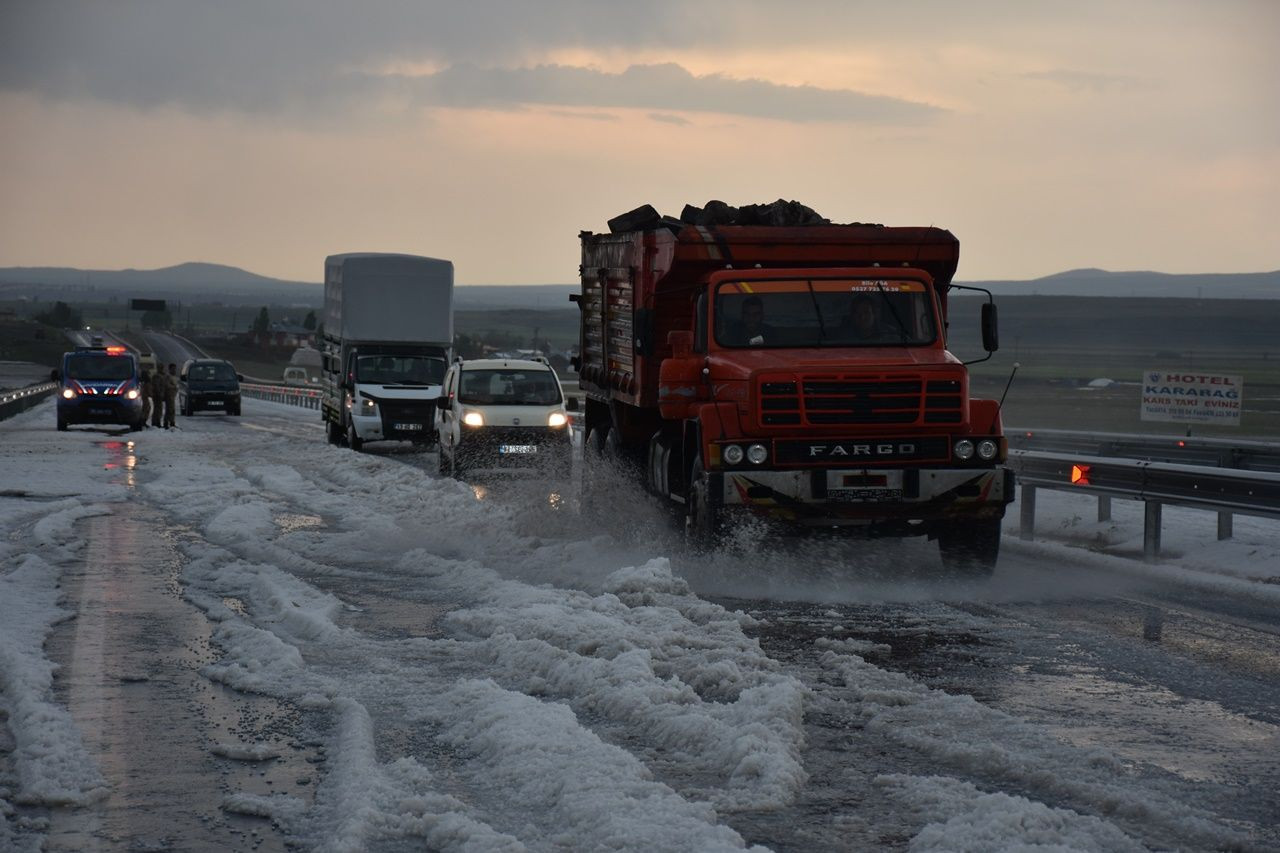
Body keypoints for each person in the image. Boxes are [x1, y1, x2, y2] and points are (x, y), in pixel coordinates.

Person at [163, 363, 179, 428]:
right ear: (170, 369)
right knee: (169, 409)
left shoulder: (174, 377)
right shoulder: (168, 377)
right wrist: (173, 387)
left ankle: (171, 422)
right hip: (169, 395)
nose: (174, 370)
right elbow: (167, 385)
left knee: (172, 409)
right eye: (173, 369)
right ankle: (167, 423)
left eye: (175, 369)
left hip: (172, 395)